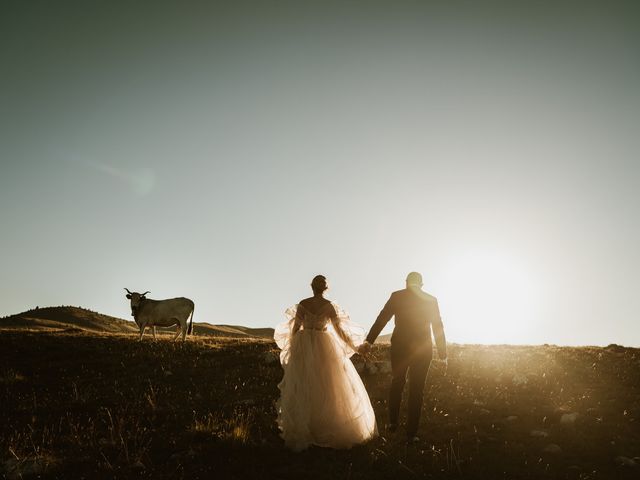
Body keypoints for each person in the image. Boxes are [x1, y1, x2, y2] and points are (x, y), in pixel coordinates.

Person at [274, 275, 378, 451]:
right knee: (328, 385)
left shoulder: (303, 304)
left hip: (304, 344)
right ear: (325, 288)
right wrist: (355, 347)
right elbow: (340, 331)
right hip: (324, 345)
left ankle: (307, 426)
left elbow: (294, 330)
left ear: (311, 287)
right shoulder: (329, 306)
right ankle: (326, 426)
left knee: (305, 384)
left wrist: (293, 348)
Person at [359, 272, 447, 442]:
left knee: (397, 382)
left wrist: (369, 341)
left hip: (400, 347)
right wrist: (443, 354)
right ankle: (411, 434)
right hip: (423, 349)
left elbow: (382, 318)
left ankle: (393, 423)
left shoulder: (397, 296)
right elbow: (438, 325)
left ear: (406, 283)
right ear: (421, 284)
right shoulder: (430, 299)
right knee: (417, 390)